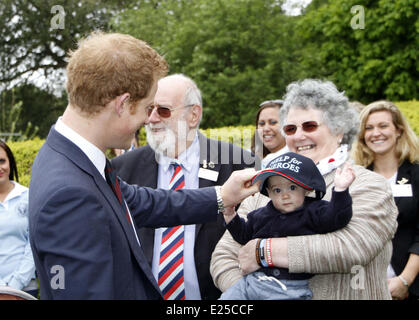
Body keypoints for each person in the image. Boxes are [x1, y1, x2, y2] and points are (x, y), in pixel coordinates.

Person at [28, 32, 260, 300]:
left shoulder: (73, 159)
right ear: (123, 104)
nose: (149, 119)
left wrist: (222, 196)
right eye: (148, 107)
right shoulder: (70, 194)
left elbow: (141, 202)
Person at [211, 79, 398, 299]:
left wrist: (263, 251)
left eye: (310, 126)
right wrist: (257, 293)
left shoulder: (369, 184)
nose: (299, 136)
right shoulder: (264, 187)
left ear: (338, 130)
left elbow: (351, 247)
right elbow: (224, 257)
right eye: (290, 129)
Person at [111, 73, 255, 300]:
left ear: (193, 115)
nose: (152, 119)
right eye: (149, 110)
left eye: (164, 110)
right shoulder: (122, 170)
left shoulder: (237, 164)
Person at [219, 152, 355, 300]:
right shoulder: (260, 215)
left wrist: (341, 191)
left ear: (306, 188)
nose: (285, 195)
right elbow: (243, 235)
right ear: (269, 193)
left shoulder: (315, 211)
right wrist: (230, 215)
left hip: (289, 289)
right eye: (277, 190)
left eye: (292, 188)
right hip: (251, 282)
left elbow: (337, 218)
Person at [352, 100, 419, 300]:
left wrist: (405, 280)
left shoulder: (416, 174)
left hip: (408, 286)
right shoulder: (356, 177)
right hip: (364, 286)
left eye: (383, 126)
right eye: (369, 128)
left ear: (398, 130)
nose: (376, 133)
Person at [0, 140, 37, 298]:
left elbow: (33, 245)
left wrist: (13, 287)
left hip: (23, 289)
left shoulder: (28, 197)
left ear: (10, 162)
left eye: (2, 161)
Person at [251, 100, 287, 169]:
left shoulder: (295, 160)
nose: (266, 129)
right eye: (261, 124)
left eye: (273, 122)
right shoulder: (252, 157)